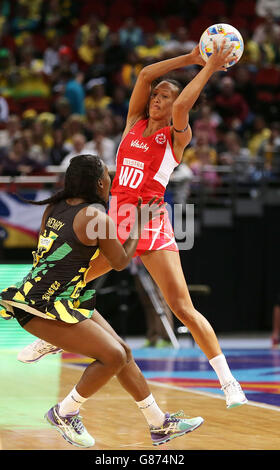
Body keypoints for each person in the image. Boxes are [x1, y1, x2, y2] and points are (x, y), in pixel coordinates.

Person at [18, 41, 248, 409]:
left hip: (151, 218)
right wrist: (190, 57)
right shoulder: (132, 125)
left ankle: (229, 383)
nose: (157, 98)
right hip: (117, 218)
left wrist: (208, 68)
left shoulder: (176, 136)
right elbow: (144, 75)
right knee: (73, 277)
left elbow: (186, 104)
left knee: (182, 306)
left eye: (166, 96)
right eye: (156, 95)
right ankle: (53, 338)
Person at [0, 154, 204, 448]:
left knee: (123, 352)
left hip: (58, 296)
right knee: (113, 357)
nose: (111, 181)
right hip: (44, 307)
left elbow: (61, 253)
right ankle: (65, 412)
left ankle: (159, 424)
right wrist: (140, 225)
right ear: (98, 183)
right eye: (108, 177)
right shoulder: (95, 216)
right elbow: (120, 261)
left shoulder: (54, 207)